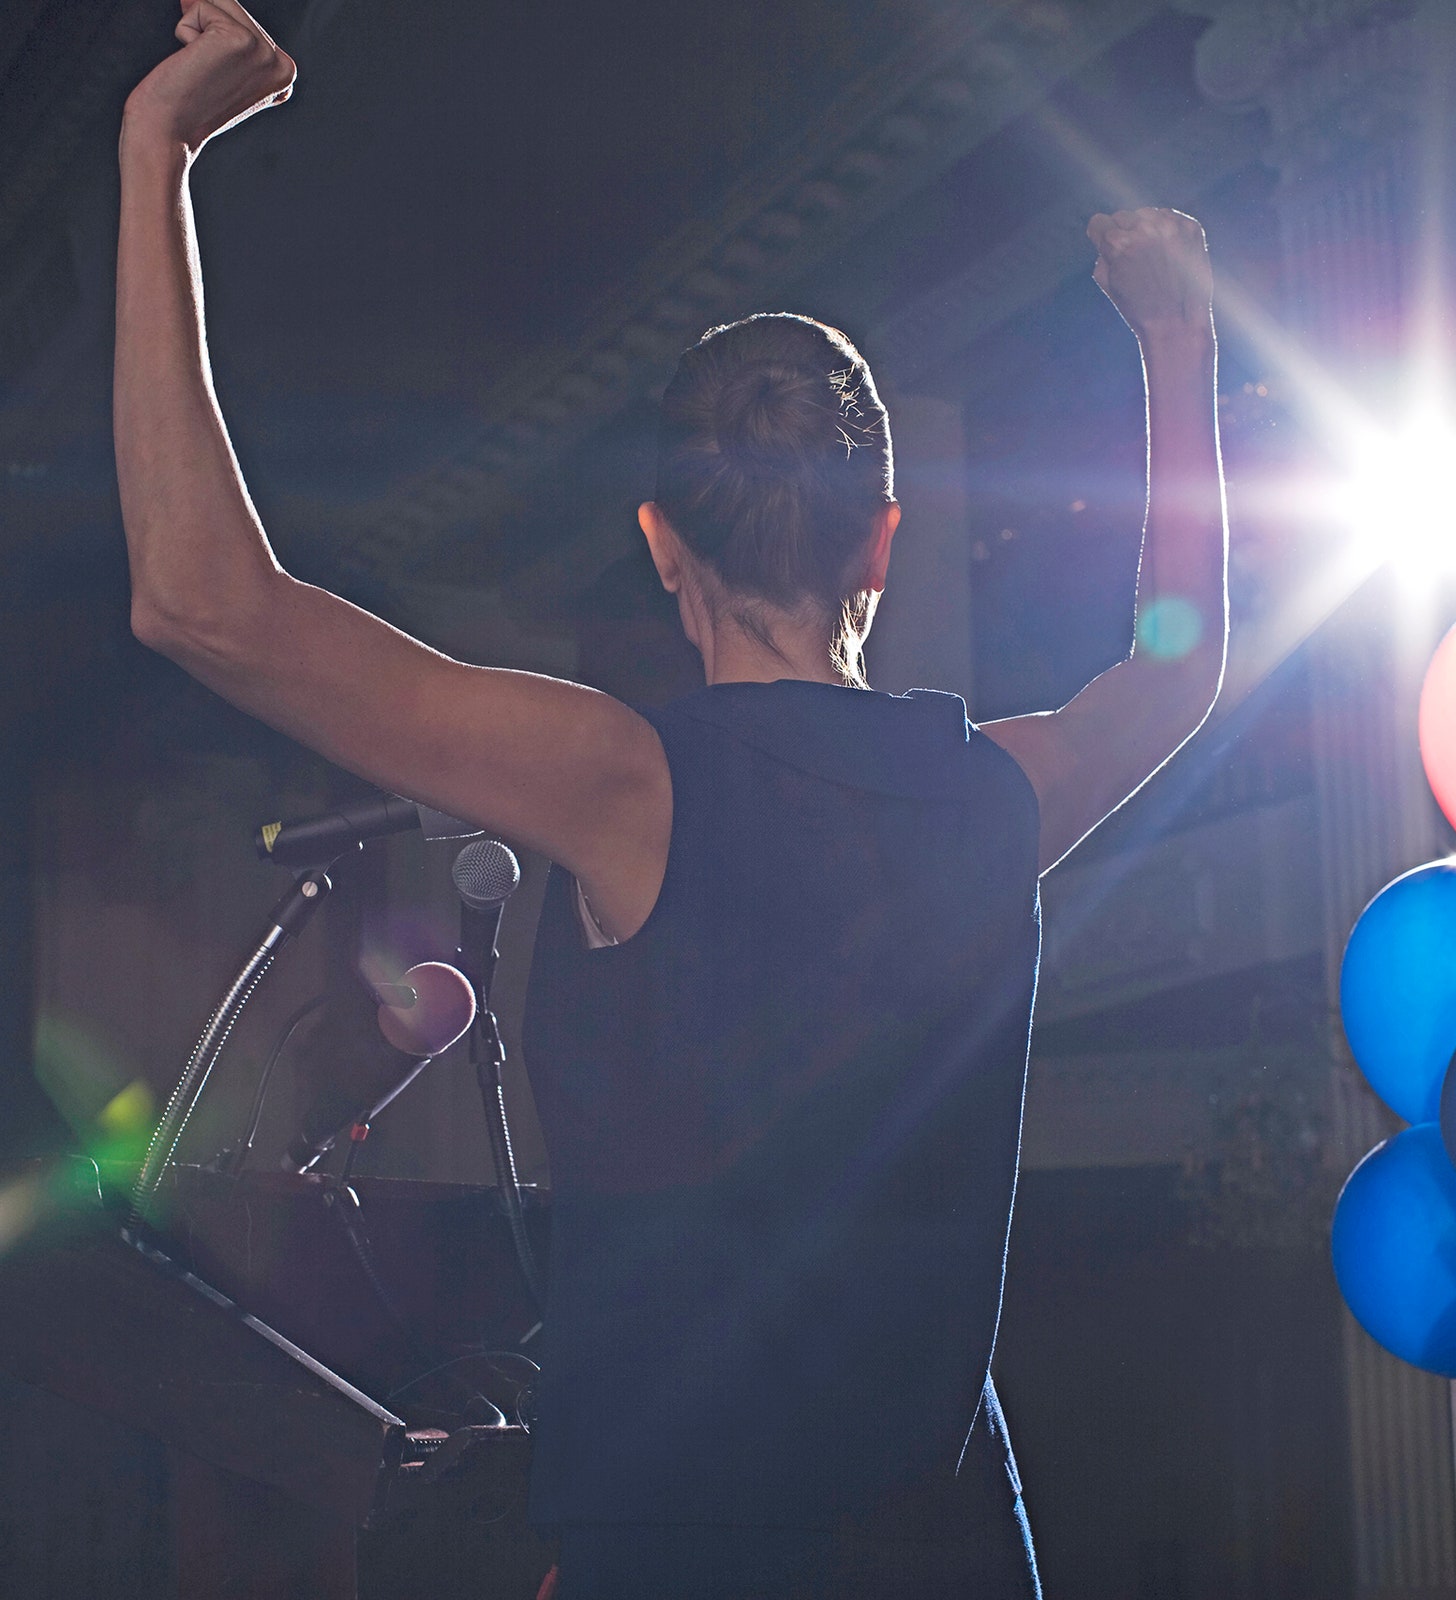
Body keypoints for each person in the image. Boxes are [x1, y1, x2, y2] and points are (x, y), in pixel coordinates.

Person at [115, 4, 1227, 1596]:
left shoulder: (625, 783)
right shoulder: (996, 790)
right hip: (948, 1554)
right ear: (881, 543)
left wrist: (156, 154)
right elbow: (1175, 670)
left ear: (659, 541)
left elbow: (202, 602)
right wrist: (1178, 348)